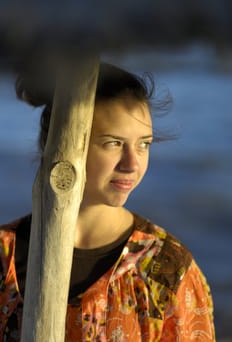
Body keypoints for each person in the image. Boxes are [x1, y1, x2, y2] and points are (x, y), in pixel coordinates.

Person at [0, 63, 215, 341]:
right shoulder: (4, 258)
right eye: (113, 143)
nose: (132, 164)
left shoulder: (167, 268)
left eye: (144, 144)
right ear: (58, 145)